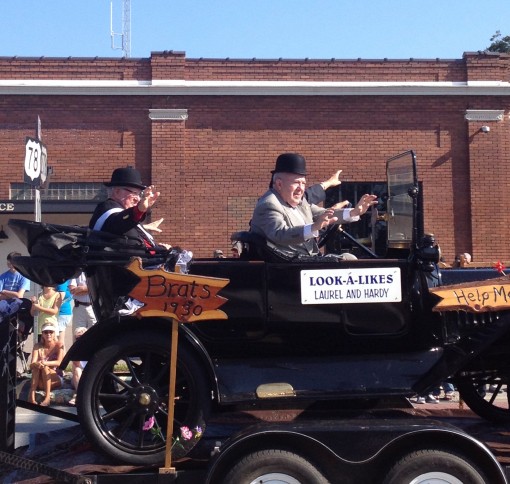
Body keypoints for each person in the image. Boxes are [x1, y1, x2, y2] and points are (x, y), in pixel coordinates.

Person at [250, 153, 378, 258]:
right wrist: (313, 227)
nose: (301, 189)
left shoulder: (299, 201)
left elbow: (325, 214)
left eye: (303, 183)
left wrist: (354, 212)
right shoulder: (269, 204)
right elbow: (280, 234)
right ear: (279, 184)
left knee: (350, 259)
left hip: (306, 261)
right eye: (296, 183)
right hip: (286, 265)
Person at [89, 166, 171, 251]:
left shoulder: (121, 214)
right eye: (134, 193)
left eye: (139, 194)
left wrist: (144, 227)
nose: (138, 199)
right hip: (123, 263)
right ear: (117, 192)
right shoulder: (108, 210)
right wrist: (139, 210)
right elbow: (119, 223)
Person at [28, 322, 64, 406]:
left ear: (54, 333)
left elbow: (59, 362)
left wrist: (44, 363)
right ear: (42, 334)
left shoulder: (59, 345)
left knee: (45, 367)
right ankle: (32, 396)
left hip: (55, 378)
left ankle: (47, 398)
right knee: (36, 367)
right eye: (46, 332)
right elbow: (31, 364)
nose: (48, 334)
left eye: (51, 332)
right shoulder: (37, 346)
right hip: (41, 380)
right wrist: (37, 364)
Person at [0, 251, 31, 321]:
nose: (10, 265)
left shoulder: (24, 276)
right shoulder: (3, 276)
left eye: (12, 263)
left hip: (17, 309)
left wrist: (3, 291)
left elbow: (19, 296)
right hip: (3, 309)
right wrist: (14, 294)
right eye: (8, 263)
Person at [69, 326, 88, 406]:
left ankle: (79, 395)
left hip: (89, 376)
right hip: (77, 378)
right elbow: (76, 364)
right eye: (77, 338)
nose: (79, 340)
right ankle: (79, 394)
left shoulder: (92, 348)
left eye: (82, 337)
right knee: (77, 370)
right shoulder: (75, 350)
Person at [56, 279, 73, 346]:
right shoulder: (65, 280)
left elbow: (61, 296)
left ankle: (62, 356)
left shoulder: (61, 281)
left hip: (61, 313)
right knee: (59, 342)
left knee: (59, 343)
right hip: (63, 313)